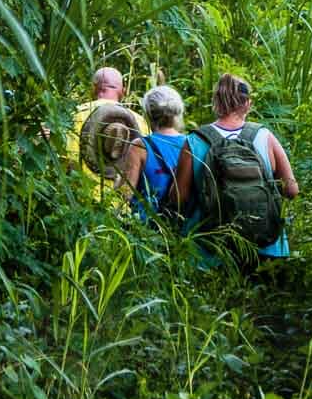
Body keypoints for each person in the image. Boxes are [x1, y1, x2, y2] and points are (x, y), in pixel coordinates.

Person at [181, 74, 299, 263]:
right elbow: (292, 190)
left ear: (216, 101)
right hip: (266, 245)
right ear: (248, 103)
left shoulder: (194, 141)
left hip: (209, 249)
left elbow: (180, 197)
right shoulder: (265, 136)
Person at [63, 67, 149, 201]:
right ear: (123, 91)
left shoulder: (73, 115)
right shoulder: (141, 122)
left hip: (78, 203)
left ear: (93, 88)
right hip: (122, 210)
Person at [122, 84, 195, 221]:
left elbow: (125, 194)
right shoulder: (192, 144)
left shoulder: (140, 146)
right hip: (184, 226)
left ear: (148, 114)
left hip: (145, 228)